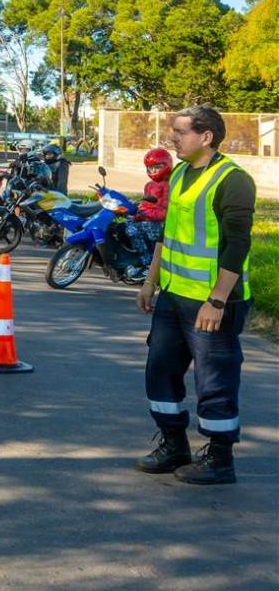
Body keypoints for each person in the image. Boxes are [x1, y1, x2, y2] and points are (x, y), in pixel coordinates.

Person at [135, 106, 256, 485]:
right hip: (173, 296)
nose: (173, 138)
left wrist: (218, 299)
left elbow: (237, 245)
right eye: (173, 131)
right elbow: (167, 234)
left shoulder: (233, 180)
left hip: (213, 303)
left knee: (214, 380)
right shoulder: (181, 175)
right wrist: (150, 282)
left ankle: (220, 459)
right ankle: (174, 445)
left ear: (206, 136)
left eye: (181, 132)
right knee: (160, 371)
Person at [124, 147, 172, 276]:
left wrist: (143, 215)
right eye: (150, 168)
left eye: (157, 167)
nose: (153, 171)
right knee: (123, 225)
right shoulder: (149, 185)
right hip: (149, 221)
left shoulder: (168, 185)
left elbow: (165, 211)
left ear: (166, 165)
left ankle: (147, 264)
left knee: (131, 230)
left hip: (160, 225)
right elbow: (145, 204)